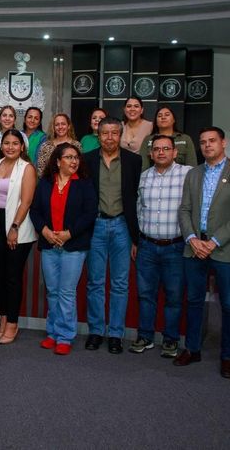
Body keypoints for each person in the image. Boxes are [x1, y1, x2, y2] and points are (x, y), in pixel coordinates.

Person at [176, 126, 230, 378]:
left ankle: (227, 356)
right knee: (195, 301)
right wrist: (191, 238)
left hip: (225, 249)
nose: (207, 145)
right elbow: (184, 209)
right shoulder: (193, 174)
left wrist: (215, 241)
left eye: (212, 141)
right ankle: (193, 348)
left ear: (224, 142)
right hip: (195, 247)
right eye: (203, 142)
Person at [129, 134, 192, 358]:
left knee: (174, 296)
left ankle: (170, 339)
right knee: (145, 294)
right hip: (147, 245)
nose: (161, 152)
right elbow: (138, 209)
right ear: (151, 153)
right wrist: (136, 240)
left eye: (166, 149)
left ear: (175, 152)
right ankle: (145, 336)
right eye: (157, 149)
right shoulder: (144, 177)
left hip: (175, 247)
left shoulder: (188, 175)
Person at [30, 143, 97, 354]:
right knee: (52, 292)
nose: (73, 161)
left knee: (66, 292)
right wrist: (45, 231)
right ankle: (52, 333)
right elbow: (35, 210)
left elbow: (89, 213)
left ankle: (65, 336)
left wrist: (69, 233)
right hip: (49, 244)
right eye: (68, 157)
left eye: (76, 157)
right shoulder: (45, 182)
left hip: (74, 245)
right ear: (58, 162)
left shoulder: (84, 184)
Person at [83, 116, 142, 354]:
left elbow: (138, 198)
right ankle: (96, 331)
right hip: (95, 226)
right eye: (104, 133)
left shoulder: (134, 161)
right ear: (98, 135)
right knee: (95, 282)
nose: (109, 138)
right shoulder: (87, 160)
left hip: (122, 227)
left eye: (114, 133)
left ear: (120, 134)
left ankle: (116, 334)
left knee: (120, 284)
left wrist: (136, 237)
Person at [0, 130, 37, 344]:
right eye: (7, 143)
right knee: (1, 278)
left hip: (17, 227)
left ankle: (13, 324)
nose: (10, 147)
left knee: (12, 277)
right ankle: (3, 320)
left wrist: (14, 227)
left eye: (15, 143)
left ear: (22, 147)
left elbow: (26, 202)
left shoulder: (26, 168)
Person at [137, 105, 197, 170]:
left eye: (167, 115)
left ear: (174, 120)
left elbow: (192, 166)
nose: (163, 117)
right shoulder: (148, 139)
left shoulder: (185, 139)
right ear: (156, 122)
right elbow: (143, 166)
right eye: (159, 116)